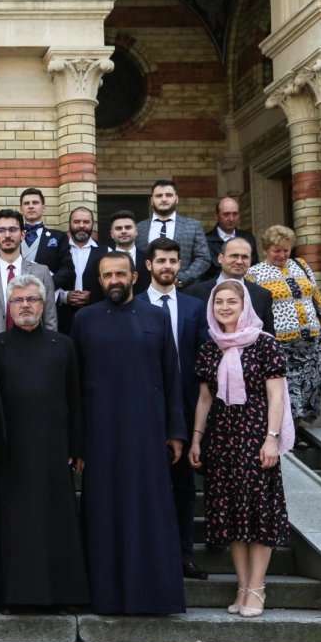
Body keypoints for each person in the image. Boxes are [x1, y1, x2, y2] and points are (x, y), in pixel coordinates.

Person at [72, 252, 186, 615]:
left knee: (148, 510)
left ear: (135, 276)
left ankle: (153, 595)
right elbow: (74, 387)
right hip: (100, 435)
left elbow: (171, 376)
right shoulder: (84, 319)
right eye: (107, 275)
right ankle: (105, 596)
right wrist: (78, 443)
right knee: (104, 512)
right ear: (100, 280)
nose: (114, 280)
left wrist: (176, 431)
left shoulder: (155, 316)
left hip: (147, 432)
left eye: (120, 273)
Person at [189, 280, 294, 618]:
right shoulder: (210, 347)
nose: (224, 307)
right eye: (218, 302)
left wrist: (271, 438)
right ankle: (242, 585)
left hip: (256, 437)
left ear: (244, 304)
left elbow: (276, 396)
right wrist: (196, 437)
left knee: (259, 512)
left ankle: (257, 587)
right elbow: (205, 399)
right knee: (233, 514)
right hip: (222, 440)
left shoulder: (264, 344)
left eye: (231, 302)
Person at [0, 275, 90, 608]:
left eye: (32, 300)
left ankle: (60, 594)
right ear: (9, 306)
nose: (25, 307)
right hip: (12, 450)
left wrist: (77, 447)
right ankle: (17, 595)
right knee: (16, 525)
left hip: (53, 449)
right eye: (18, 301)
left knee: (54, 521)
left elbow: (74, 398)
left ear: (43, 304)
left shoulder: (62, 344)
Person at [137, 237, 210, 580]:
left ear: (180, 265)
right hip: (145, 408)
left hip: (185, 407)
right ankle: (150, 553)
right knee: (147, 484)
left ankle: (183, 555)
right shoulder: (133, 306)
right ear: (148, 265)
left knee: (183, 486)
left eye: (173, 261)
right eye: (161, 261)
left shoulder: (195, 308)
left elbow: (203, 360)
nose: (168, 266)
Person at [247, 225, 321, 430]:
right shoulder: (254, 273)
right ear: (266, 249)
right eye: (277, 250)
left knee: (308, 387)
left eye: (286, 250)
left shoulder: (301, 265)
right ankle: (287, 434)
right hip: (280, 342)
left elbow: (316, 296)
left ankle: (298, 429)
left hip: (311, 338)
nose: (282, 254)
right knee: (286, 389)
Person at [0, 209, 57, 336]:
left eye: (12, 229)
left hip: (34, 348)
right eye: (1, 230)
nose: (7, 235)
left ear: (23, 235)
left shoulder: (42, 272)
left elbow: (50, 319)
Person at [184, 237, 274, 333]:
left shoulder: (262, 295)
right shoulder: (195, 293)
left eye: (245, 257)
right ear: (220, 258)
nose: (239, 261)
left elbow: (269, 336)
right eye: (234, 256)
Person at [136, 179, 211, 286]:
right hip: (147, 291)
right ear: (152, 200)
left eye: (169, 195)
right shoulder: (139, 228)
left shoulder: (193, 226)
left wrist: (181, 279)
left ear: (177, 199)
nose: (164, 199)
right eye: (159, 196)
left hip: (185, 290)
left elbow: (203, 258)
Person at [54, 206, 105, 334]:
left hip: (96, 317)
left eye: (86, 222)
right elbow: (47, 279)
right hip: (62, 318)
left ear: (93, 224)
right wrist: (64, 296)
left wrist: (92, 296)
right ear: (69, 224)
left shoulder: (106, 251)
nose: (81, 226)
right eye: (77, 222)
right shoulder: (57, 251)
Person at [202, 196, 259, 282]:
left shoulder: (248, 239)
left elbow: (254, 267)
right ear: (217, 216)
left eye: (235, 214)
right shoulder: (205, 241)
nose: (231, 219)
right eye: (226, 214)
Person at [18, 188, 69, 274]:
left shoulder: (59, 237)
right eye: (27, 203)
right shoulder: (12, 236)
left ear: (43, 208)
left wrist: (48, 282)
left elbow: (67, 269)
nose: (31, 206)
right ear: (21, 209)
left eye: (35, 202)